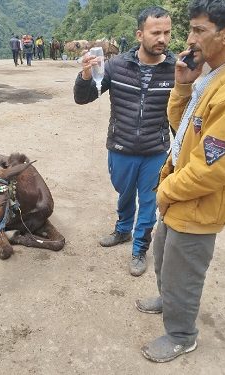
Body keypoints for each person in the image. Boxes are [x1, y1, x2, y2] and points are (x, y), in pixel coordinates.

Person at [137, 0, 225, 363]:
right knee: (163, 256)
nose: (188, 39)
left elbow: (211, 170)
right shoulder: (212, 75)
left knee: (184, 272)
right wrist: (182, 87)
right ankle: (168, 300)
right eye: (190, 28)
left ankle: (181, 334)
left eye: (199, 30)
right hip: (181, 195)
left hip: (197, 202)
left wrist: (165, 191)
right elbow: (181, 128)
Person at [73, 6, 176, 276]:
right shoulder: (116, 66)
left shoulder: (175, 70)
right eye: (156, 32)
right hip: (121, 146)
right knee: (124, 192)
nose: (162, 38)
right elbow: (84, 98)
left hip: (155, 150)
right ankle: (122, 230)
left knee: (149, 201)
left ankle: (140, 247)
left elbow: (181, 113)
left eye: (167, 32)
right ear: (140, 34)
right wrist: (85, 75)